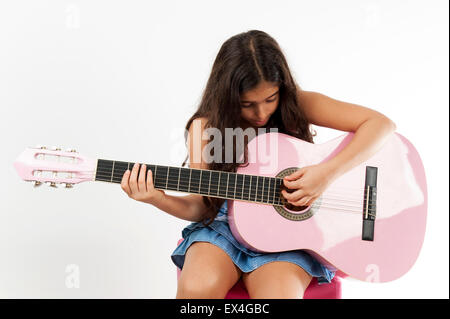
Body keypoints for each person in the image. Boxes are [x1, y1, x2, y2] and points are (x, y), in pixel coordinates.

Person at [120, 30, 396, 299]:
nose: (261, 113)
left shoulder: (300, 103)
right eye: (247, 104)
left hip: (290, 235)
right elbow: (201, 205)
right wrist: (158, 198)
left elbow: (381, 125)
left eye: (270, 99)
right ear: (227, 96)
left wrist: (325, 174)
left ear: (282, 89)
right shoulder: (205, 128)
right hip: (222, 229)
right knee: (196, 290)